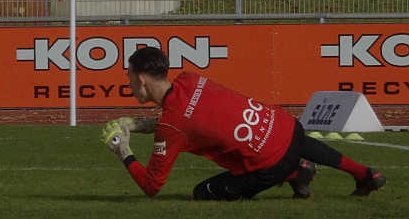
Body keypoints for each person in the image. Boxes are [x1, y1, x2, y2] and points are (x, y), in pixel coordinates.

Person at [101, 46, 387, 200]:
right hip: (284, 124)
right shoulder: (189, 79)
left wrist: (123, 151)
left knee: (202, 193)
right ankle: (365, 173)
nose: (129, 85)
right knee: (290, 140)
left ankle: (295, 173)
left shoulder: (171, 126)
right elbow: (191, 118)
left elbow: (152, 186)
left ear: (141, 79)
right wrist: (141, 125)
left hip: (269, 163)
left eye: (129, 79)